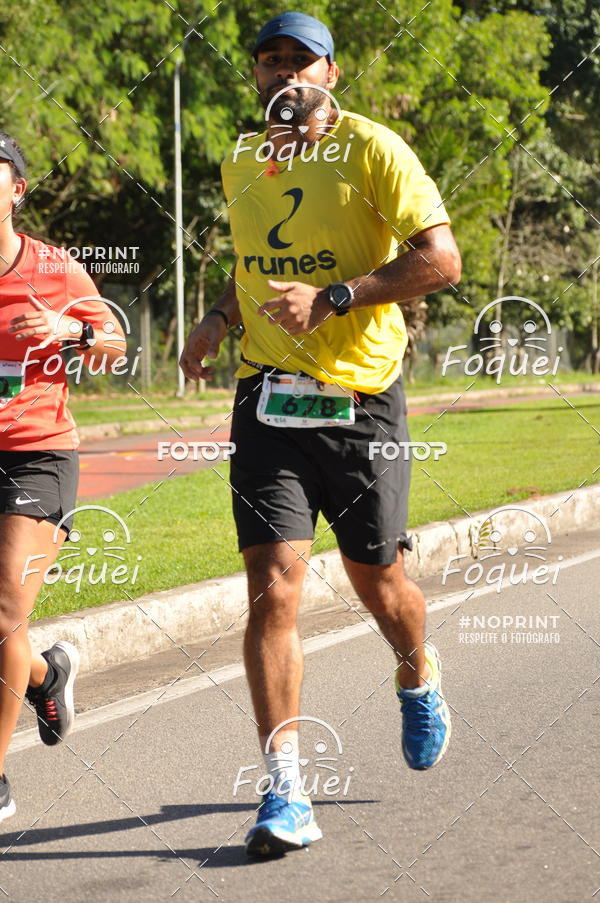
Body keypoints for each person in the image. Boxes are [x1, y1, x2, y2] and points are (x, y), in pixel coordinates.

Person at [180, 11, 461, 856]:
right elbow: (249, 265)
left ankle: (417, 671)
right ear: (257, 77)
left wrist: (336, 296)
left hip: (359, 394)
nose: (282, 74)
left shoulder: (378, 150)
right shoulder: (242, 158)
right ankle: (286, 790)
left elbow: (442, 261)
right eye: (269, 62)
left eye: (300, 61)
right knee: (274, 584)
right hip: (266, 393)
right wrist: (215, 319)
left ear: (331, 74)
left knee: (380, 581)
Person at [0, 131, 126, 821]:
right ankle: (50, 673)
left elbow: (115, 344)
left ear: (17, 189)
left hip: (36, 453)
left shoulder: (56, 269)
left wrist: (68, 330)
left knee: (2, 610)